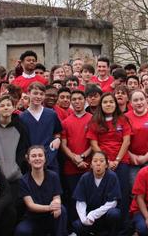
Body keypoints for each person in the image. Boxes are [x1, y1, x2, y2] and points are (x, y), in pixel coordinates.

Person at [85, 92, 132, 228]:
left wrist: (116, 160)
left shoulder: (123, 119)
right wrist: (106, 161)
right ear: (101, 105)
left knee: (123, 193)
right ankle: (101, 227)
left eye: (111, 102)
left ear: (115, 104)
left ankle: (123, 227)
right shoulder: (95, 121)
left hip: (121, 162)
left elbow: (127, 141)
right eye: (105, 102)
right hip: (102, 163)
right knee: (104, 194)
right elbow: (93, 143)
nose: (108, 104)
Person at [0, 94, 30, 200]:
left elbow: (23, 150)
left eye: (9, 105)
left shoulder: (21, 127)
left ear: (13, 108)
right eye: (2, 106)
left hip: (15, 176)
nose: (6, 107)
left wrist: (17, 168)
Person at [14, 146, 68, 236]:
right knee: (21, 231)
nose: (37, 158)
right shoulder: (23, 180)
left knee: (61, 209)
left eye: (40, 155)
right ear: (28, 159)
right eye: (34, 156)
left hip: (50, 217)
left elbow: (57, 197)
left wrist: (56, 204)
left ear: (45, 158)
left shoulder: (53, 176)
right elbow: (30, 205)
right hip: (33, 219)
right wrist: (50, 207)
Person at [61, 89, 92, 225]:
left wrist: (82, 157)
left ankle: (90, 226)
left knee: (89, 197)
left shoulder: (92, 119)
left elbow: (95, 143)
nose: (77, 102)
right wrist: (74, 158)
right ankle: (75, 227)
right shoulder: (65, 122)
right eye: (74, 99)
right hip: (71, 167)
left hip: (88, 166)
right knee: (74, 198)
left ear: (85, 100)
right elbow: (63, 145)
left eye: (80, 99)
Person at [72, 151, 122, 235]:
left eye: (101, 161)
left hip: (105, 216)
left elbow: (113, 202)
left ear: (106, 165)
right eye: (95, 161)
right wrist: (84, 218)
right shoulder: (85, 178)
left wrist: (94, 214)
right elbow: (80, 201)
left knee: (114, 214)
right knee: (77, 225)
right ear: (91, 165)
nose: (98, 164)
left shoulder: (112, 177)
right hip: (89, 218)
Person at [19, 82, 63, 173]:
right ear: (28, 93)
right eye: (35, 93)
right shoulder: (22, 117)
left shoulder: (51, 114)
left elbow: (57, 132)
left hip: (50, 159)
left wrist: (58, 139)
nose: (38, 96)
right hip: (31, 162)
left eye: (41, 94)